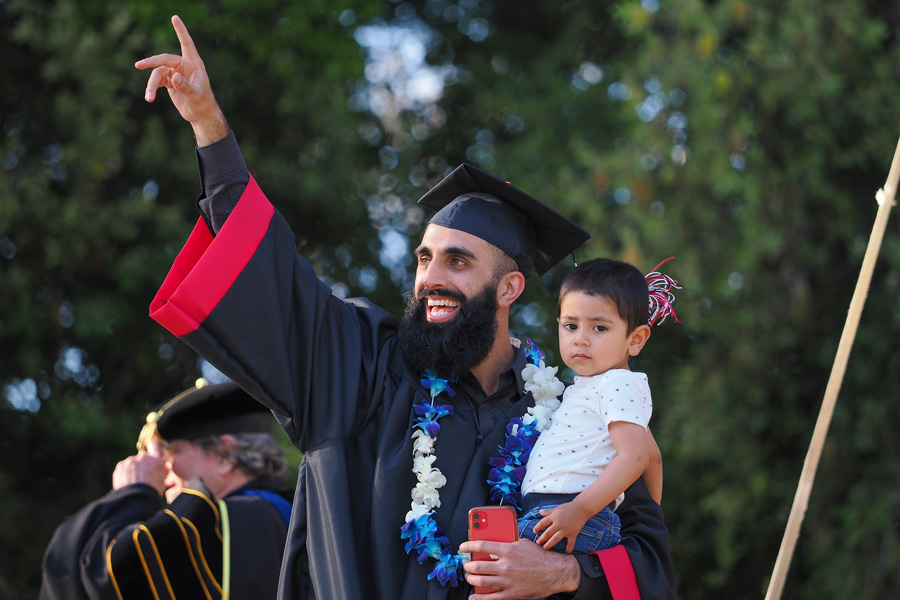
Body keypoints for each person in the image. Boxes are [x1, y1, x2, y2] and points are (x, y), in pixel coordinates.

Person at [134, 15, 676, 600]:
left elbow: (647, 557)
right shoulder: (360, 368)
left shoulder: (574, 406)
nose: (431, 279)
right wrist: (211, 129)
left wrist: (566, 575)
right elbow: (276, 283)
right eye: (424, 259)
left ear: (511, 288)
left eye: (459, 263)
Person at [40, 380, 292, 600]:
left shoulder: (226, 521)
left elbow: (108, 576)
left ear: (226, 454)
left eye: (171, 452)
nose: (161, 468)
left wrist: (132, 494)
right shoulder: (290, 514)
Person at [518, 257, 678, 556]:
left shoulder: (618, 383)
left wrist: (580, 510)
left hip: (574, 512)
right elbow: (652, 456)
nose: (580, 339)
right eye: (570, 325)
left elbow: (636, 456)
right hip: (559, 511)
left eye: (599, 328)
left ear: (636, 339)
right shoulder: (595, 386)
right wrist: (652, 513)